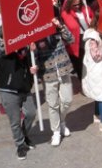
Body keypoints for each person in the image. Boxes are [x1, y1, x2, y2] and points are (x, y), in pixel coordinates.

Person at [0, 14, 38, 160]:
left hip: (24, 86)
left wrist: (31, 68)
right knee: (14, 121)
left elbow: (28, 61)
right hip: (8, 89)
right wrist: (10, 40)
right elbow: (0, 51)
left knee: (31, 113)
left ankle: (25, 135)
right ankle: (20, 145)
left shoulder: (23, 45)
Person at [34, 17, 74, 146]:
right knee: (53, 104)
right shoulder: (35, 34)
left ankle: (61, 121)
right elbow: (34, 58)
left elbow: (71, 39)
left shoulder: (56, 29)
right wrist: (33, 51)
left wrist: (60, 26)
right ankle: (55, 131)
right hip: (48, 74)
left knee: (67, 100)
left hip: (63, 69)